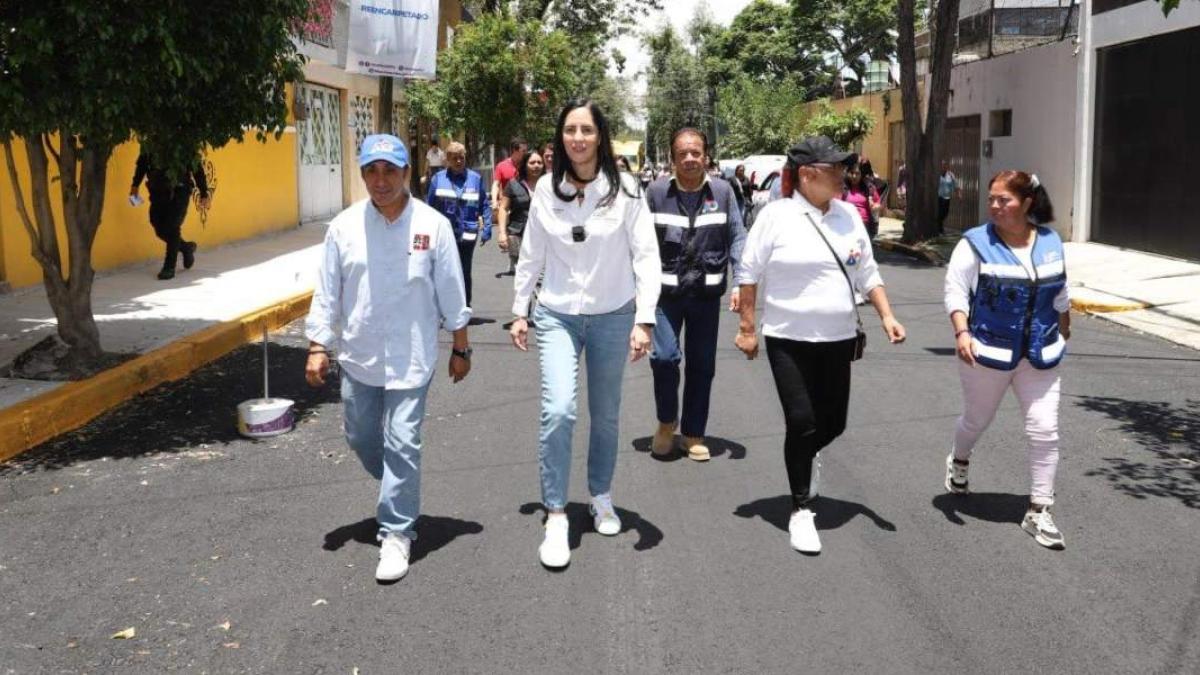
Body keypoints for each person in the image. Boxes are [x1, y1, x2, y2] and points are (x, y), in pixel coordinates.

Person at [304, 134, 473, 582]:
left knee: (402, 442)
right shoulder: (342, 228)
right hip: (360, 355)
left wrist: (461, 346)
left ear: (406, 174)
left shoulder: (432, 226)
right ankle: (400, 484)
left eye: (390, 171)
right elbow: (328, 292)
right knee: (361, 437)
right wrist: (319, 345)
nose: (380, 181)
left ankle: (397, 531)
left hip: (412, 356)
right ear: (362, 174)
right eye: (371, 172)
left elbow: (452, 292)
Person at [734, 136, 906, 555]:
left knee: (834, 423)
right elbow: (749, 272)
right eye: (835, 169)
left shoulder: (848, 214)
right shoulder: (776, 216)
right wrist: (747, 327)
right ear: (809, 174)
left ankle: (805, 456)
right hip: (788, 338)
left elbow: (867, 272)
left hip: (838, 338)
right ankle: (800, 508)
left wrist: (887, 315)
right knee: (802, 421)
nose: (844, 175)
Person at [509, 99, 660, 569]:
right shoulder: (545, 192)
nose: (578, 138)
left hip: (614, 315)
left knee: (607, 414)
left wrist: (645, 318)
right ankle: (556, 512)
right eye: (570, 130)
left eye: (587, 130)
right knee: (559, 410)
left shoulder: (628, 191)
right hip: (556, 314)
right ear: (560, 137)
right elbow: (531, 254)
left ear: (601, 136)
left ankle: (600, 495)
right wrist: (519, 311)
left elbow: (646, 257)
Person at [943, 170, 1070, 550]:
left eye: (1004, 200)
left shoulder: (1050, 241)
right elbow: (955, 289)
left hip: (1041, 353)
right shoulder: (975, 243)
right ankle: (959, 460)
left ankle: (1039, 510)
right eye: (992, 199)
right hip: (987, 352)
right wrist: (962, 332)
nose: (995, 206)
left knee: (1044, 429)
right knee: (977, 420)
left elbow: (1060, 290)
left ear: (1027, 203)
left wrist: (1065, 327)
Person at [646, 128, 746, 461]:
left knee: (702, 365)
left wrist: (739, 283)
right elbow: (640, 243)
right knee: (664, 358)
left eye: (696, 152)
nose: (690, 158)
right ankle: (665, 423)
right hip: (665, 295)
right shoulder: (656, 192)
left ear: (706, 156)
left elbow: (737, 238)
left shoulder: (724, 191)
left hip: (705, 294)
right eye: (682, 153)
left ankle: (692, 433)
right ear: (673, 157)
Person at [426, 142, 493, 307]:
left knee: (464, 271)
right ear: (447, 159)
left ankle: (464, 306)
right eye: (454, 158)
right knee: (444, 271)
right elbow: (429, 209)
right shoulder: (438, 179)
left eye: (461, 158)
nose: (458, 161)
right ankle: (444, 306)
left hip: (468, 235)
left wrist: (487, 228)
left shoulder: (475, 179)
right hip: (444, 236)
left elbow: (484, 204)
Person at [129, 150, 211, 280]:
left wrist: (204, 192)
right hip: (157, 191)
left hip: (180, 190)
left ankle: (169, 266)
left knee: (172, 226)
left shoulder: (184, 143)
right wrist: (135, 185)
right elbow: (142, 164)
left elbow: (197, 169)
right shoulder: (152, 141)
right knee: (158, 226)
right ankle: (186, 248)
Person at [497, 149, 545, 275]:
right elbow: (503, 208)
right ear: (525, 165)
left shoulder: (549, 185)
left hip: (543, 235)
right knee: (524, 274)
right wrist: (502, 233)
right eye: (532, 162)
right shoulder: (513, 185)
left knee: (541, 273)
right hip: (518, 233)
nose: (536, 166)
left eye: (539, 163)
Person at [842, 161, 882, 240]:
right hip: (847, 223)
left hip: (865, 224)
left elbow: (879, 203)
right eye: (852, 173)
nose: (854, 176)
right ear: (848, 173)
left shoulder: (869, 188)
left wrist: (875, 207)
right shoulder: (843, 187)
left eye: (857, 174)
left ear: (861, 175)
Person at [491, 137, 527, 207]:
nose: (526, 153)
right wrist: (494, 201)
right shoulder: (501, 166)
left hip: (524, 206)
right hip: (507, 206)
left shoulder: (528, 165)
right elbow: (496, 185)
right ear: (514, 150)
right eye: (523, 151)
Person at [937, 160, 960, 235]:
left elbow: (955, 184)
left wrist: (958, 194)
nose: (943, 167)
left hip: (947, 197)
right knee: (940, 213)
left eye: (945, 165)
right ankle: (940, 229)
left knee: (945, 213)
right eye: (942, 165)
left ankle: (939, 227)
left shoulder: (950, 175)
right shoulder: (937, 174)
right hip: (939, 197)